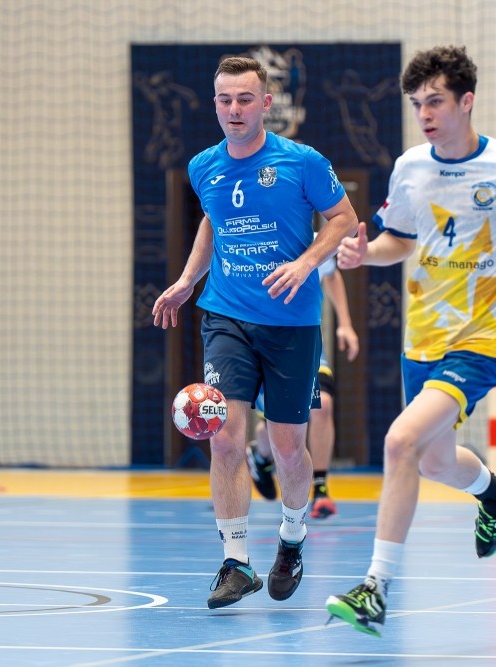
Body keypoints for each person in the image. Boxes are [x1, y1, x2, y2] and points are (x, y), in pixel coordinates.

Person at [325, 45, 496, 637]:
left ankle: (374, 589)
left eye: (436, 102)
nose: (424, 114)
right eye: (416, 103)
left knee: (399, 442)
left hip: (483, 339)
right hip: (423, 338)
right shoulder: (409, 167)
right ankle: (495, 494)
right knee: (434, 461)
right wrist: (362, 254)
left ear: (466, 101)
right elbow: (401, 241)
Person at [151, 56, 359, 609]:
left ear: (265, 103)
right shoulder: (203, 167)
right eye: (225, 100)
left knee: (288, 447)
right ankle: (236, 561)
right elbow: (212, 222)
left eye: (245, 99)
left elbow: (343, 219)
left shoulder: (302, 161)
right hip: (226, 316)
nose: (234, 109)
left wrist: (307, 262)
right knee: (223, 435)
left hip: (291, 320)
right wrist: (187, 281)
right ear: (215, 104)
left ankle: (291, 539)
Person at [246, 256, 360, 519]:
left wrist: (345, 323)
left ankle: (320, 488)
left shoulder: (314, 242)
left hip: (305, 344)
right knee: (276, 428)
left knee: (323, 404)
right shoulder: (255, 244)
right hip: (266, 345)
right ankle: (260, 456)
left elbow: (331, 273)